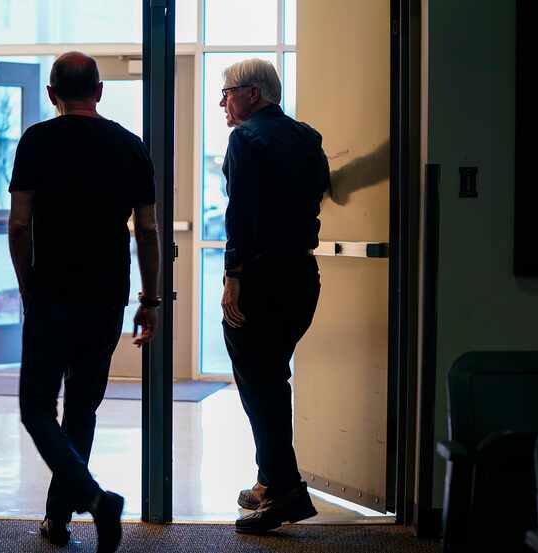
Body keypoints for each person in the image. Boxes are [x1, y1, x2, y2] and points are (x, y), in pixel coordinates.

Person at [8, 51, 160, 552]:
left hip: (51, 292)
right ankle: (59, 519)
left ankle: (93, 499)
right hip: (106, 296)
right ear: (99, 91)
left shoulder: (36, 141)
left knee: (36, 407)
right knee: (82, 410)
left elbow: (19, 223)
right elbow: (148, 229)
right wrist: (150, 298)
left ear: (52, 94)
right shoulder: (130, 146)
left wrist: (28, 284)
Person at [218, 58, 329, 534]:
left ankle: (285, 491)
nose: (222, 101)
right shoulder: (308, 137)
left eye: (227, 92)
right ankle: (270, 480)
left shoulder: (244, 139)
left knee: (260, 385)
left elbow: (240, 214)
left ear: (254, 94)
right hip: (302, 275)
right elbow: (318, 193)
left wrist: (233, 276)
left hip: (260, 277)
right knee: (270, 377)